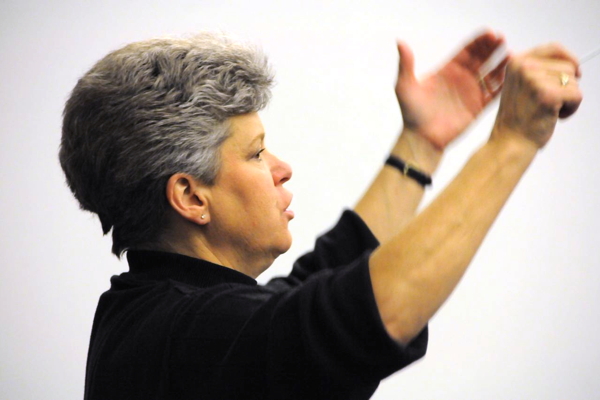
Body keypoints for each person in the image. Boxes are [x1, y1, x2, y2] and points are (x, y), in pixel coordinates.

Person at [59, 31, 582, 399]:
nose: (282, 169)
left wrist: (421, 146)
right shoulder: (182, 337)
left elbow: (312, 290)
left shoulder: (157, 316)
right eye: (257, 153)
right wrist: (512, 141)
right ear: (191, 198)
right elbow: (363, 316)